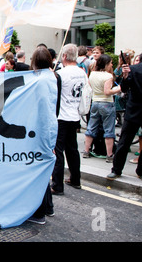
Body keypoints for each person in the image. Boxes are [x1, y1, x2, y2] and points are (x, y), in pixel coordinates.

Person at [107, 44, 142, 183]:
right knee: (124, 142)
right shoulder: (133, 69)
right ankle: (116, 170)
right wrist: (125, 76)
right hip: (133, 111)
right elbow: (125, 89)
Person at [27, 46, 57, 224]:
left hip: (41, 131)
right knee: (42, 168)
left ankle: (39, 213)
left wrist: (45, 138)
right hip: (48, 129)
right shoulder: (50, 77)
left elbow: (43, 110)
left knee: (38, 169)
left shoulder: (40, 81)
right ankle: (48, 207)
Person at [51, 44, 87, 194]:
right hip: (75, 115)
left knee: (58, 151)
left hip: (61, 116)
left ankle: (58, 185)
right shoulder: (82, 73)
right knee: (72, 149)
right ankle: (75, 179)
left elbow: (55, 96)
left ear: (64, 56)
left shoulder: (60, 74)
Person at [83, 54, 121, 163]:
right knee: (109, 129)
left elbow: (90, 86)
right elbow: (107, 92)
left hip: (95, 102)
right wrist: (118, 89)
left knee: (91, 127)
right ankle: (109, 155)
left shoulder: (92, 74)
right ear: (106, 64)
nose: (111, 65)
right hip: (107, 103)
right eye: (110, 63)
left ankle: (86, 150)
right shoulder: (108, 76)